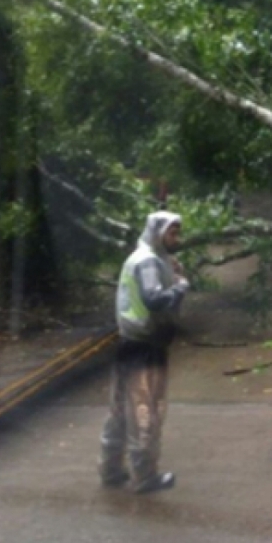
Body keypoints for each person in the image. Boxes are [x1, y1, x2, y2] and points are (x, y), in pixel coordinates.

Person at [99, 211, 190, 495]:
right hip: (146, 347)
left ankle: (110, 469)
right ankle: (145, 476)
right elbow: (154, 299)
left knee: (118, 410)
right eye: (172, 232)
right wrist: (181, 287)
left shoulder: (143, 258)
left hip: (128, 343)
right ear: (157, 231)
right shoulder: (149, 262)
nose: (177, 238)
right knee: (146, 413)